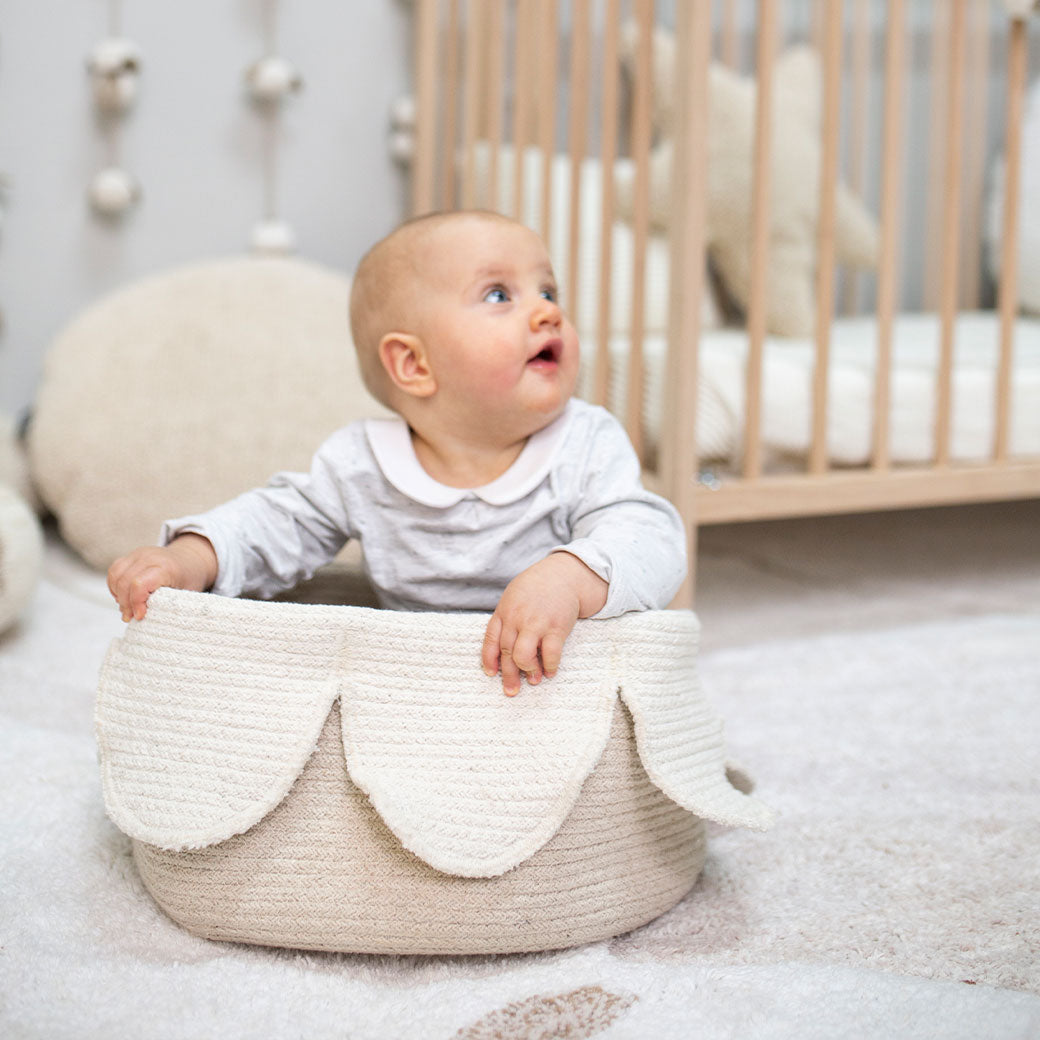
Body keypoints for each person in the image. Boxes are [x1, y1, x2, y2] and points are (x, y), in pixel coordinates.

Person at [107, 210, 686, 695]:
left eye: (548, 291)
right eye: (498, 295)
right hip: (415, 688)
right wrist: (192, 556)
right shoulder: (362, 464)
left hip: (548, 682)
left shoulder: (585, 442)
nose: (548, 311)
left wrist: (569, 578)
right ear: (413, 364)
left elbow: (650, 536)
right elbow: (278, 523)